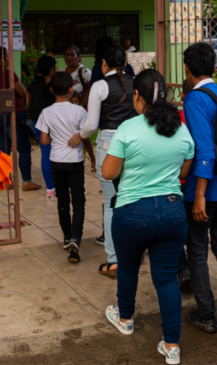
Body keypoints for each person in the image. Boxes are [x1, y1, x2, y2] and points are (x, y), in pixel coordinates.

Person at [101, 69, 194, 365]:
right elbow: (182, 172)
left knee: (128, 269)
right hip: (172, 212)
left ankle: (125, 319)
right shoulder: (181, 128)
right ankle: (172, 346)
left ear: (137, 96)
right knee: (166, 279)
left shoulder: (128, 128)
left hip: (133, 212)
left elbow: (108, 172)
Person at [181, 42, 217, 334]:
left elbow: (204, 149)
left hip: (204, 188)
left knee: (198, 250)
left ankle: (206, 314)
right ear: (214, 67)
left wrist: (200, 195)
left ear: (186, 69)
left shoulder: (194, 99)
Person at [73, 46, 134, 277]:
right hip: (134, 142)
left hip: (109, 143)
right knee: (131, 197)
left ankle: (114, 259)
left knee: (111, 201)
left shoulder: (99, 86)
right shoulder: (136, 82)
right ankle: (133, 253)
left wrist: (81, 135)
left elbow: (91, 125)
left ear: (104, 65)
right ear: (125, 63)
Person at [36, 72, 89, 263]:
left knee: (62, 201)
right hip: (75, 161)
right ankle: (76, 237)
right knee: (79, 200)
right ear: (71, 89)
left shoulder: (46, 112)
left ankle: (67, 237)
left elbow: (43, 140)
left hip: (56, 161)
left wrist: (54, 139)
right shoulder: (79, 111)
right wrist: (90, 154)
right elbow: (85, 135)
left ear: (51, 90)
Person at [0, 46, 33, 189]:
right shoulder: (8, 73)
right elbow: (23, 92)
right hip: (12, 115)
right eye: (7, 57)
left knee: (4, 150)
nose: (8, 60)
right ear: (1, 60)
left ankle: (8, 181)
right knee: (24, 149)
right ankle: (27, 182)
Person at [25, 55, 58, 196]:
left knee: (45, 154)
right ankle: (65, 187)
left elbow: (28, 104)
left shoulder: (33, 84)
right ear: (51, 68)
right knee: (59, 153)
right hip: (54, 123)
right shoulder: (55, 84)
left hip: (36, 122)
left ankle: (50, 189)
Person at [63, 45, 96, 171]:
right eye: (67, 54)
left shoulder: (84, 72)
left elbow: (91, 88)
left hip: (79, 110)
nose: (69, 57)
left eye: (72, 55)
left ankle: (89, 159)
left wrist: (80, 105)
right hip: (64, 112)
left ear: (79, 57)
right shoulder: (61, 72)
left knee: (83, 135)